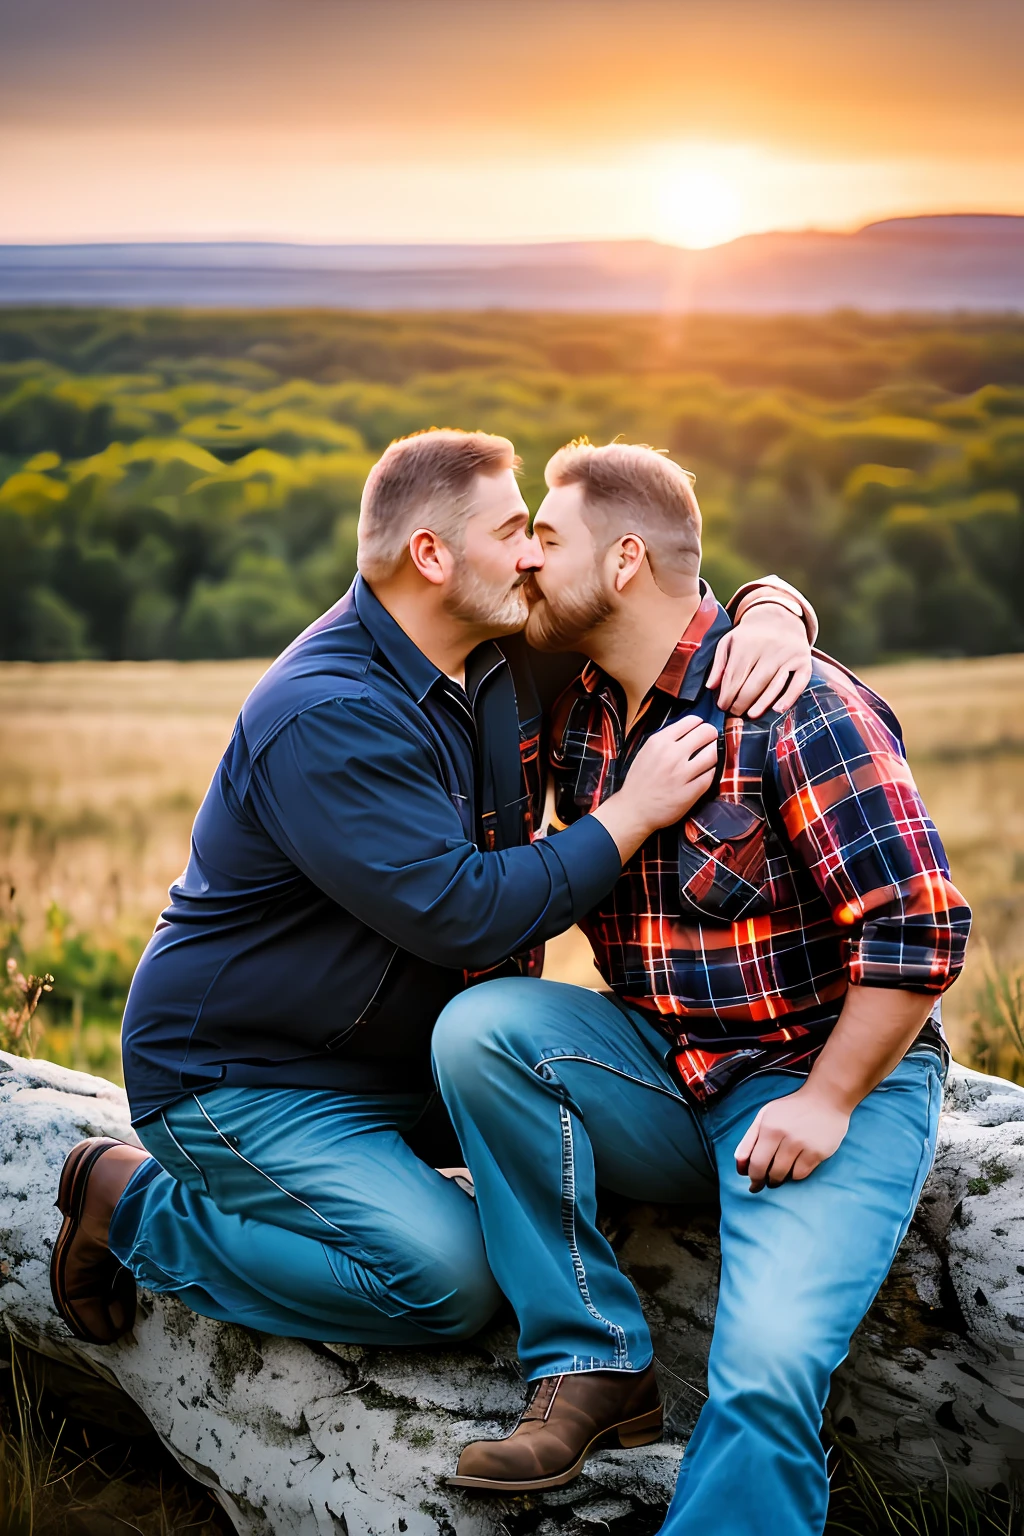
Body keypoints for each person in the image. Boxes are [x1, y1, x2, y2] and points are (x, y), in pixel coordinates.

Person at [49, 429, 813, 1353]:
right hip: (250, 1076)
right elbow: (464, 911)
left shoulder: (499, 649)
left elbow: (653, 581)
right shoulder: (326, 714)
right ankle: (129, 1208)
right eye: (513, 530)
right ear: (430, 555)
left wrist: (771, 610)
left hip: (408, 1057)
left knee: (594, 1149)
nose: (534, 553)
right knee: (445, 1282)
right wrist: (628, 814)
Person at [431, 440, 972, 1535]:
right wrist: (776, 597)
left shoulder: (792, 706)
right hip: (663, 1070)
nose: (527, 563)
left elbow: (916, 926)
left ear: (624, 560)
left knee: (766, 1370)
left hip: (816, 1086)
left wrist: (825, 1102)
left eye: (546, 538)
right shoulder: (574, 702)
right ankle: (591, 1363)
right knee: (482, 1028)